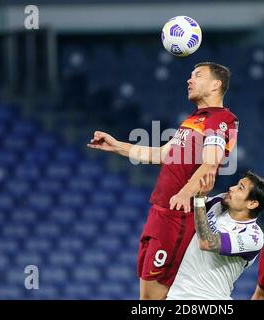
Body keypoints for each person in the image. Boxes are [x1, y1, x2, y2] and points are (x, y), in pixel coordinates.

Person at [87, 62, 239, 299]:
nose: (189, 80)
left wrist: (185, 193)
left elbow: (211, 163)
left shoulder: (222, 119)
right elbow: (161, 154)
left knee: (154, 298)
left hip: (177, 216)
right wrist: (117, 146)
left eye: (197, 76)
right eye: (190, 76)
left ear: (215, 84)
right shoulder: (194, 120)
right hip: (160, 213)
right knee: (149, 296)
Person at [166, 171, 264, 300]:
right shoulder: (220, 202)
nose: (231, 188)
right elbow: (190, 203)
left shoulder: (253, 236)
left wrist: (199, 199)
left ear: (252, 203)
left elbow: (206, 242)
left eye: (240, 188)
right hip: (177, 294)